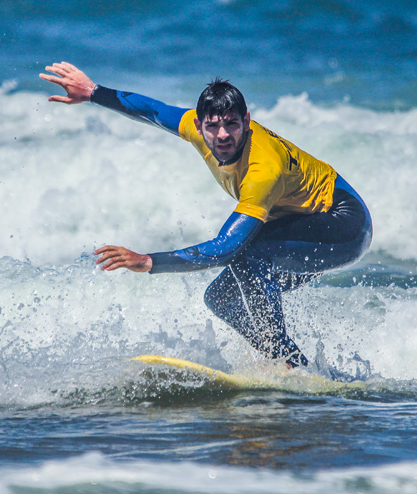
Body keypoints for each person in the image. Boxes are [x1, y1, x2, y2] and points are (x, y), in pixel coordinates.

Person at [39, 62, 372, 369]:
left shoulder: (263, 170)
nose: (223, 135)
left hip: (344, 223)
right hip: (298, 220)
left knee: (248, 256)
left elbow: (226, 247)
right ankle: (296, 364)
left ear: (247, 120)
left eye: (232, 124)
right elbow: (152, 110)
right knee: (221, 299)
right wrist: (94, 93)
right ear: (199, 125)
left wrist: (148, 261)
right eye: (213, 126)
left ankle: (283, 360)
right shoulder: (196, 128)